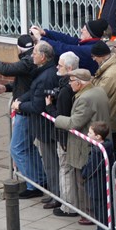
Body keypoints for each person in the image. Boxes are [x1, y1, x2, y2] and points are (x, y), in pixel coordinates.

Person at [0, 35, 47, 195]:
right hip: (27, 106)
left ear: (18, 48)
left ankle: (33, 185)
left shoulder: (28, 61)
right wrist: (6, 88)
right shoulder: (32, 60)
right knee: (27, 147)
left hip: (25, 110)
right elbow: (23, 83)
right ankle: (40, 179)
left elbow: (6, 70)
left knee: (17, 148)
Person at [52, 69, 111, 217]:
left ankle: (89, 213)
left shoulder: (85, 98)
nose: (69, 84)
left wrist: (56, 118)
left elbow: (74, 122)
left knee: (83, 181)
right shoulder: (98, 91)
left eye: (71, 81)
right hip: (97, 142)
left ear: (78, 83)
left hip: (84, 145)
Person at [11, 42, 59, 199]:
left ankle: (51, 193)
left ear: (43, 57)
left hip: (45, 127)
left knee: (51, 162)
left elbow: (38, 106)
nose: (32, 56)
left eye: (35, 53)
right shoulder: (44, 71)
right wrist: (20, 99)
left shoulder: (45, 76)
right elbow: (33, 92)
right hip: (41, 125)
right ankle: (42, 184)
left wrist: (20, 105)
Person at [44, 51, 79, 209]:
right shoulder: (72, 85)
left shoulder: (66, 90)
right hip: (70, 137)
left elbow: (61, 117)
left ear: (70, 68)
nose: (57, 67)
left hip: (65, 137)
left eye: (60, 65)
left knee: (65, 170)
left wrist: (49, 106)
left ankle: (67, 207)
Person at [29, 19, 109, 75]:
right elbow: (67, 39)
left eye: (84, 30)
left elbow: (65, 48)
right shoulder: (88, 43)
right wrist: (45, 33)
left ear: (90, 34)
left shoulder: (90, 49)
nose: (81, 30)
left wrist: (41, 39)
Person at [82, 121, 113, 230]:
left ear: (98, 136)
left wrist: (84, 173)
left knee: (99, 207)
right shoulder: (105, 147)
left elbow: (92, 167)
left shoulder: (97, 151)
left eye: (90, 133)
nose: (87, 134)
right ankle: (105, 227)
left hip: (97, 183)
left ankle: (102, 229)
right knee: (103, 206)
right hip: (101, 182)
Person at [90, 41, 116, 136]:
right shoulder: (113, 65)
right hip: (110, 112)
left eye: (94, 56)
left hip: (109, 114)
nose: (93, 59)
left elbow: (99, 95)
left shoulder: (110, 74)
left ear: (102, 56)